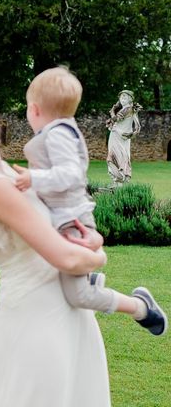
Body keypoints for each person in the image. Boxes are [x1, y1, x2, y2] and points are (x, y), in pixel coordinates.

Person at [0, 85, 165, 405]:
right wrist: (96, 252)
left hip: (38, 307)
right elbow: (67, 260)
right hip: (43, 318)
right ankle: (141, 308)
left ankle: (141, 308)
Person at [12, 67, 166, 335]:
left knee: (79, 296)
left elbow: (70, 175)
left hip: (72, 225)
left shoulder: (58, 133)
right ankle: (89, 278)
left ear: (35, 110)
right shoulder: (58, 130)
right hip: (58, 222)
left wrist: (34, 179)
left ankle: (141, 308)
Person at [106, 89, 142, 185]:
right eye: (121, 97)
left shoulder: (128, 109)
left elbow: (116, 119)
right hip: (116, 135)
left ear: (130, 99)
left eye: (125, 97)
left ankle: (119, 179)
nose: (122, 99)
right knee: (117, 157)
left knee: (117, 156)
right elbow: (137, 127)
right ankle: (118, 181)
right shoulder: (126, 109)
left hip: (120, 137)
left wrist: (112, 111)